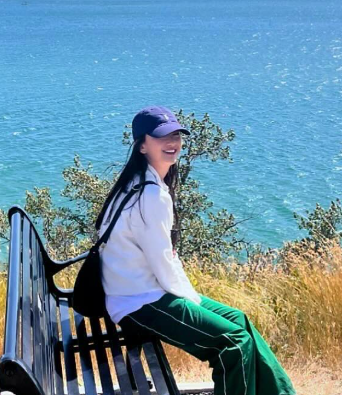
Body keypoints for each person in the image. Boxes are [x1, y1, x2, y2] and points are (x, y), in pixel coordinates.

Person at [97, 105, 296, 395]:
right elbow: (162, 263)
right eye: (162, 137)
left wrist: (189, 296)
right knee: (233, 343)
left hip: (139, 290)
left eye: (176, 135)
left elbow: (162, 257)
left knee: (239, 320)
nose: (172, 142)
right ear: (142, 146)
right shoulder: (151, 195)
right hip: (138, 302)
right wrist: (191, 299)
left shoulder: (137, 182)